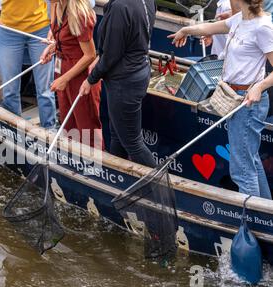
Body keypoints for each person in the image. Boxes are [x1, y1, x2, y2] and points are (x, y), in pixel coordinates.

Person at [168, 0, 273, 199]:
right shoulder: (239, 19)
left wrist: (259, 86)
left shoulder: (263, 27)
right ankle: (266, 218)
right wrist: (185, 31)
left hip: (247, 103)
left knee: (242, 170)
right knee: (250, 161)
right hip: (235, 97)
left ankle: (250, 225)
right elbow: (209, 27)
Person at [79, 0, 157, 167]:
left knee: (133, 143)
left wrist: (90, 79)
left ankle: (162, 190)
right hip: (138, 71)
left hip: (124, 81)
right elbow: (127, 40)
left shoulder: (120, 7)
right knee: (117, 134)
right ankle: (117, 175)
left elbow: (111, 55)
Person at [0, 0, 56, 129]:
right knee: (10, 90)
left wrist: (54, 27)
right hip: (8, 31)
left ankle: (49, 130)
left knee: (45, 90)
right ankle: (14, 130)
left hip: (41, 29)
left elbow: (55, 2)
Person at [40, 0, 103, 149]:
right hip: (63, 67)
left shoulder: (80, 14)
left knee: (87, 127)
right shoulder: (56, 5)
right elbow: (66, 39)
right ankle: (73, 161)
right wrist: (54, 47)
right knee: (68, 124)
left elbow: (90, 55)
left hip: (80, 75)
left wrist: (64, 78)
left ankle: (93, 166)